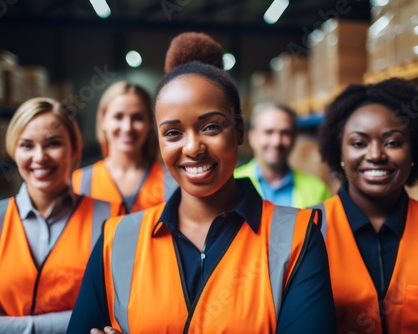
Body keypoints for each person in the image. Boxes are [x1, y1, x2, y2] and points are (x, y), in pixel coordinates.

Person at [67, 58, 336, 332]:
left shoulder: (298, 237)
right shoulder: (118, 239)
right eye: (173, 133)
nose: (193, 148)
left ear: (240, 131)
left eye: (211, 127)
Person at [0, 97, 115, 333]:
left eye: (53, 143)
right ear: (13, 151)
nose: (39, 157)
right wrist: (78, 320)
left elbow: (116, 315)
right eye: (27, 145)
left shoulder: (112, 220)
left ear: (74, 149)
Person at [316, 77, 418, 334]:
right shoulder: (305, 230)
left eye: (393, 142)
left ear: (414, 152)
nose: (375, 155)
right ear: (339, 153)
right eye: (358, 143)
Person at [72, 81, 176, 215]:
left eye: (138, 118)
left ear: (150, 122)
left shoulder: (172, 180)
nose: (127, 127)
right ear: (103, 120)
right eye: (118, 117)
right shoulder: (78, 182)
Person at [234, 102, 331, 208]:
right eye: (269, 132)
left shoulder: (317, 190)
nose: (276, 142)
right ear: (252, 137)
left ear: (294, 139)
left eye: (285, 133)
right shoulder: (231, 185)